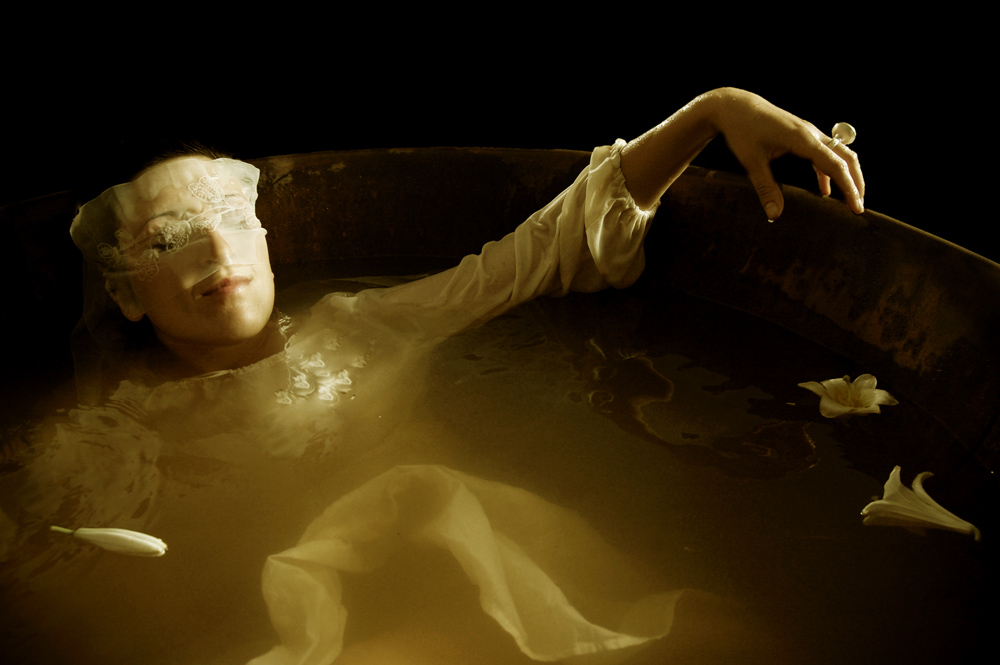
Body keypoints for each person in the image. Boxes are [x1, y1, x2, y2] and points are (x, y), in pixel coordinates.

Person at [2, 88, 864, 664]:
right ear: (125, 292)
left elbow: (544, 250)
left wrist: (713, 110)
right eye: (168, 237)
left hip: (492, 576)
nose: (217, 248)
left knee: (723, 634)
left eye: (232, 214)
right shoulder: (106, 433)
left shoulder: (361, 327)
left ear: (266, 234)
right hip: (330, 632)